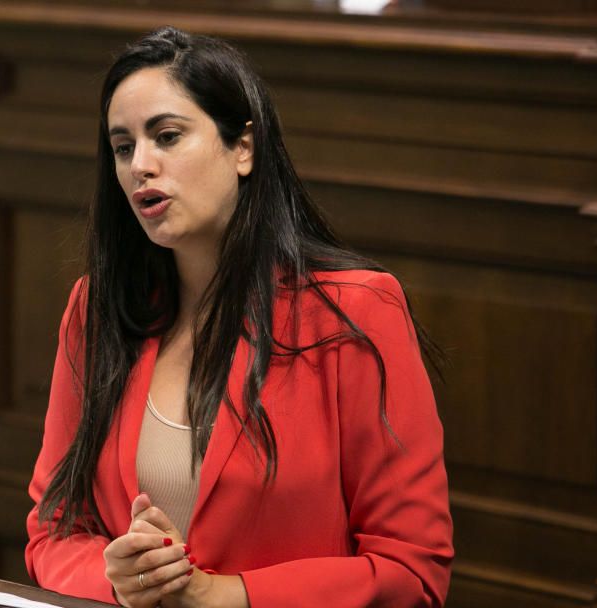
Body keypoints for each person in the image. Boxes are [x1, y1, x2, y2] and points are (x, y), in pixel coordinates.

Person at [24, 26, 453, 608]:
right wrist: (121, 581)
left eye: (167, 136)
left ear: (243, 147)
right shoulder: (97, 309)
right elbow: (54, 530)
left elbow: (411, 569)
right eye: (123, 147)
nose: (140, 166)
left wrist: (225, 595)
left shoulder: (355, 309)